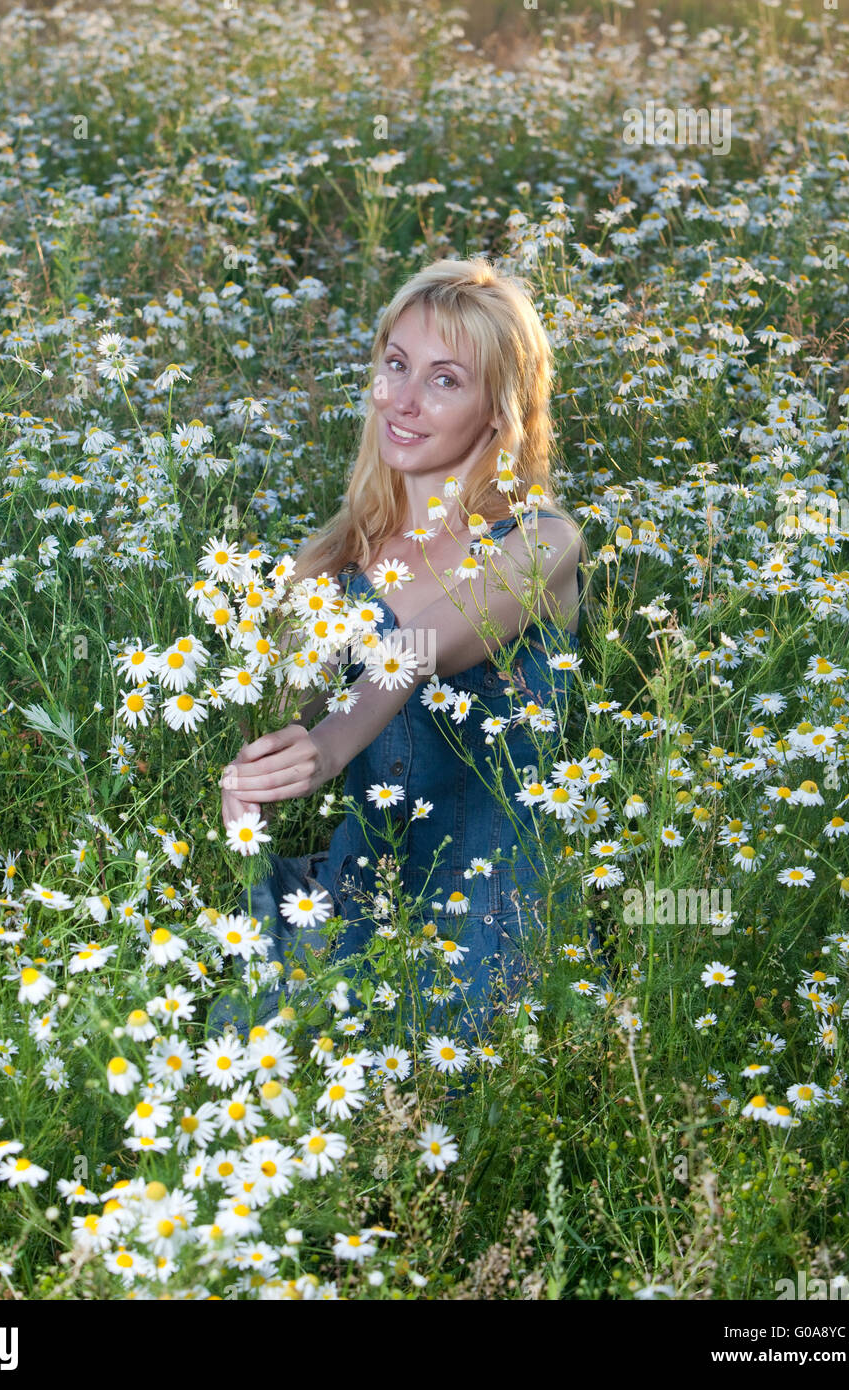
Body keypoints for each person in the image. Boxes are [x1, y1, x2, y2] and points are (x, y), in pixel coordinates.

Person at [216, 256, 590, 1037]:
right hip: (358, 892)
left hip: (487, 908)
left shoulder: (540, 541)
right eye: (396, 365)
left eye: (445, 380)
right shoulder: (334, 556)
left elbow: (420, 646)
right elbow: (274, 705)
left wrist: (325, 747)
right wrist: (253, 771)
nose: (404, 400)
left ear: (498, 409)